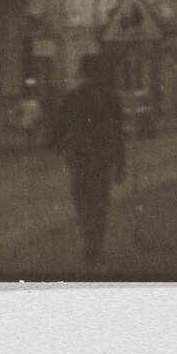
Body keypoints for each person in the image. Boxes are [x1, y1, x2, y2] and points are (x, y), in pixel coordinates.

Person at [54, 50, 127, 268]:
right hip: (102, 158)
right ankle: (94, 244)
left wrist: (58, 145)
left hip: (79, 157)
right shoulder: (111, 97)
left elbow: (58, 126)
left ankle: (88, 238)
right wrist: (120, 164)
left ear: (83, 72)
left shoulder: (73, 96)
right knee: (100, 202)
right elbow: (117, 133)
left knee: (81, 199)